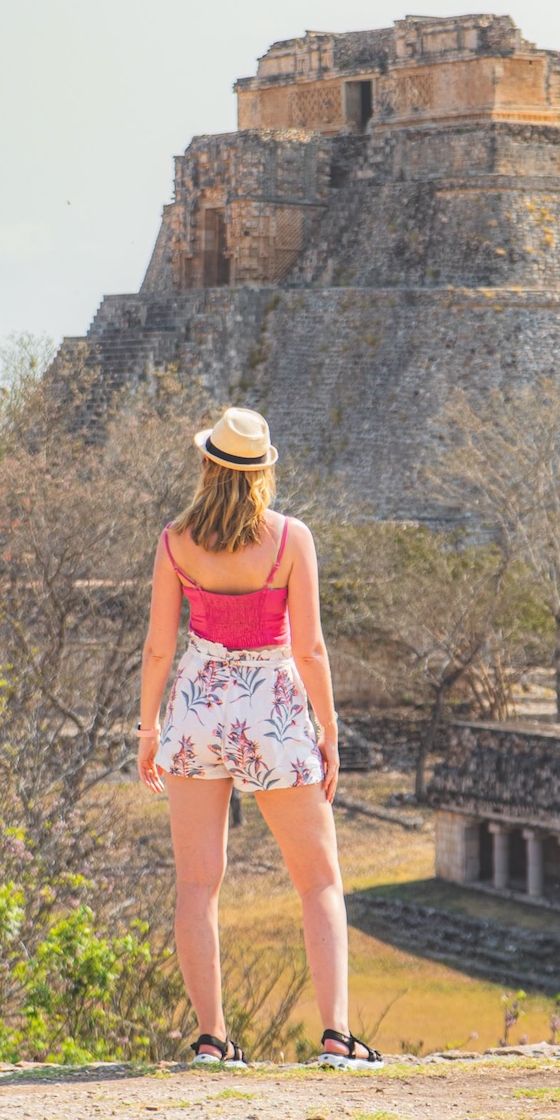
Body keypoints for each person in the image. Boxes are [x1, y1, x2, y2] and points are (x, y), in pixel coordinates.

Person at [137, 407, 383, 1070]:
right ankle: (336, 1036)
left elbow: (160, 646)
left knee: (197, 882)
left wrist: (149, 726)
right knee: (319, 879)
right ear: (263, 470)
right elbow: (310, 647)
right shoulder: (289, 538)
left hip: (196, 703)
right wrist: (328, 731)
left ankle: (212, 1039)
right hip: (271, 707)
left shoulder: (175, 541)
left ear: (207, 465)